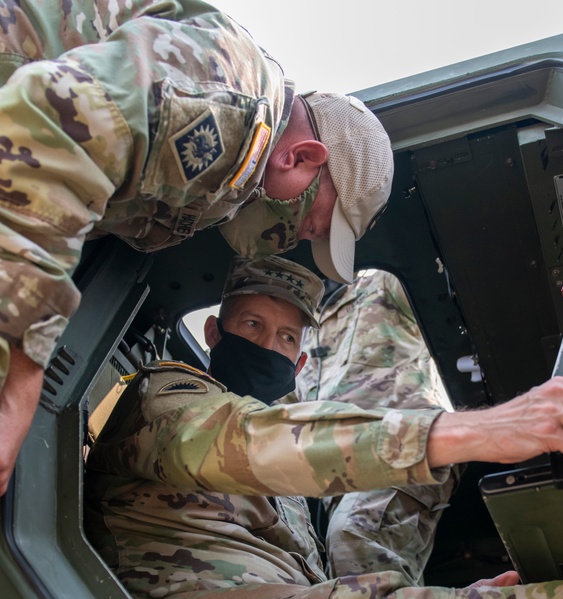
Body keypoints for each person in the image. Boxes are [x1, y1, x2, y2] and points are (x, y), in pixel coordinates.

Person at [83, 255, 563, 599]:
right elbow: (257, 441)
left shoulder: (286, 499)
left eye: (286, 338)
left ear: (300, 355)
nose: (269, 345)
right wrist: (474, 431)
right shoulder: (164, 396)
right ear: (215, 331)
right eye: (252, 325)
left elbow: (309, 587)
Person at [0, 1, 393, 495]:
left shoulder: (231, 166)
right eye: (309, 223)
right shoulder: (232, 104)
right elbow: (45, 141)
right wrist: (20, 379)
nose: (291, 238)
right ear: (301, 156)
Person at [294, 269, 454, 584]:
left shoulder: (383, 284)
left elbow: (436, 277)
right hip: (336, 478)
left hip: (403, 447)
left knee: (354, 541)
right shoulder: (300, 330)